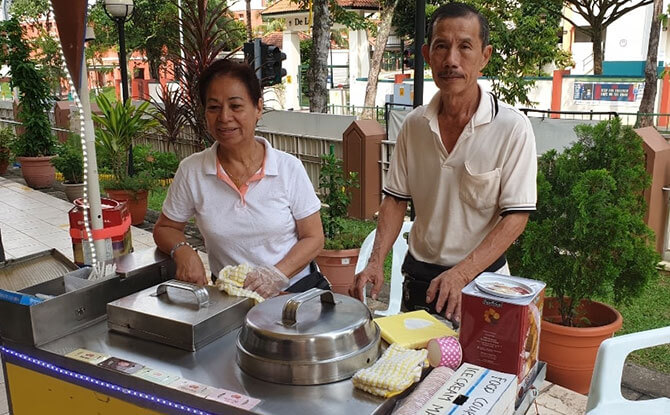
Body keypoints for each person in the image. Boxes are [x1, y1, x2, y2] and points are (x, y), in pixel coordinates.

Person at [350, 3, 537, 324]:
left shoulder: (511, 127)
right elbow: (396, 199)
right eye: (441, 46)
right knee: (418, 368)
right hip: (420, 278)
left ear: (485, 56)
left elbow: (516, 217)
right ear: (427, 54)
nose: (452, 60)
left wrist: (462, 273)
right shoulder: (414, 125)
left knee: (478, 370)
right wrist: (375, 260)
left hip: (483, 282)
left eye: (465, 47)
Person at [153, 59, 326, 298]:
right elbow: (165, 227)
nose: (224, 117)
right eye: (213, 107)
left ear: (258, 108)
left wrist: (275, 275)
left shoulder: (288, 169)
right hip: (230, 298)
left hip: (295, 293)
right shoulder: (192, 171)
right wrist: (183, 251)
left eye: (235, 106)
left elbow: (314, 238)